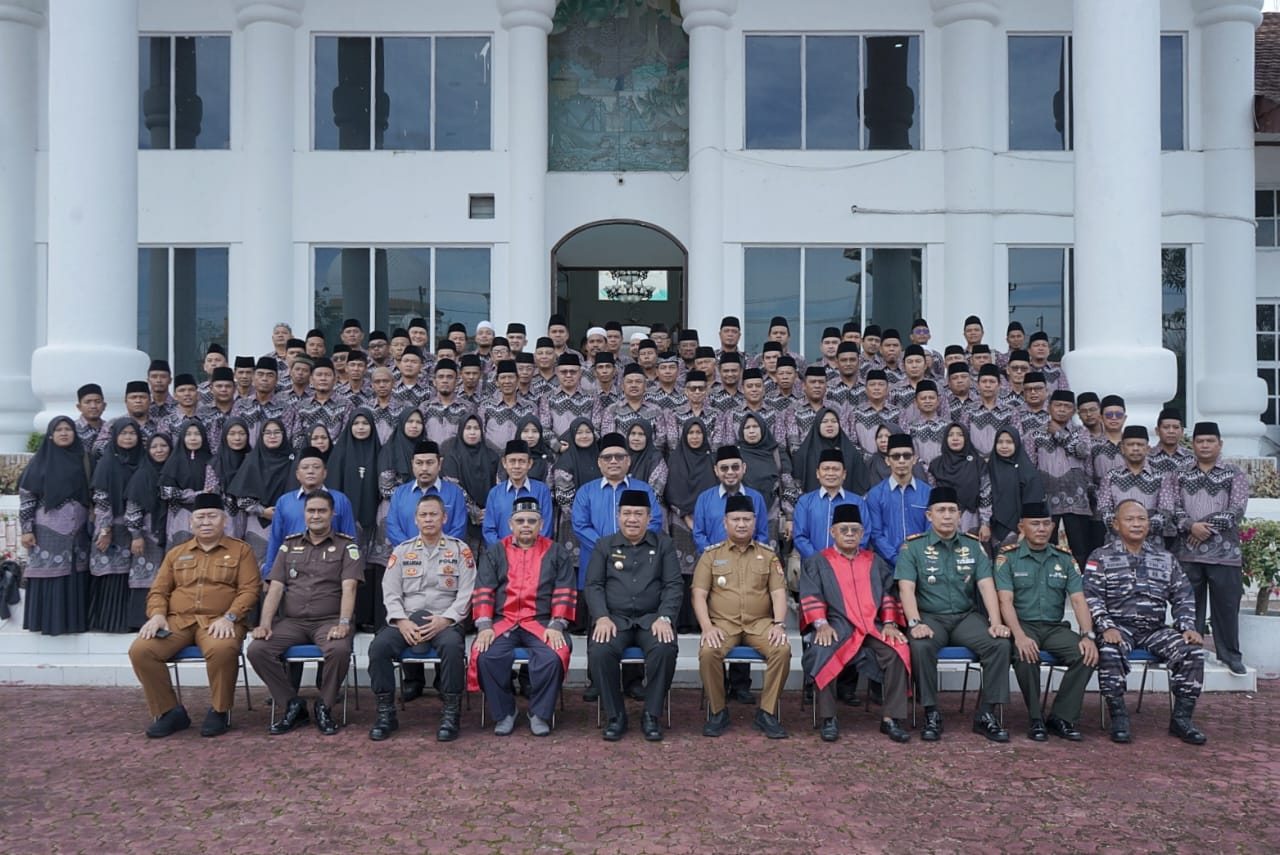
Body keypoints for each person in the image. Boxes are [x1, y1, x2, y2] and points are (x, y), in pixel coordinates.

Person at [127, 493, 260, 738]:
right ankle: (170, 712)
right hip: (178, 621)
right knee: (141, 650)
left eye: (212, 516)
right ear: (191, 523)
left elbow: (250, 590)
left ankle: (220, 711)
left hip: (219, 621)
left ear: (224, 521)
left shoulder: (241, 551)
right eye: (200, 517)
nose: (206, 522)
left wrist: (230, 617)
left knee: (222, 649)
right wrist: (157, 615)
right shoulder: (176, 553)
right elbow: (158, 591)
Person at [1084, 500, 1207, 744]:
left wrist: (1187, 626)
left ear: (1149, 524)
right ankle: (1119, 717)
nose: (1136, 524)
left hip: (1155, 630)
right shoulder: (1101, 557)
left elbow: (1183, 595)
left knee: (1192, 651)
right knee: (1109, 650)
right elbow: (1091, 596)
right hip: (1118, 628)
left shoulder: (1165, 558)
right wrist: (1105, 625)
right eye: (1129, 519)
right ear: (1116, 524)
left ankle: (1182, 719)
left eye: (1142, 519)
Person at [895, 486, 1012, 743]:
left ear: (960, 515)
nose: (947, 516)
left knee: (999, 644)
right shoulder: (912, 547)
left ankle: (986, 714)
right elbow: (906, 589)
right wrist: (914, 623)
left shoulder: (973, 546)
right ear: (929, 515)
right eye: (941, 511)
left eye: (951, 510)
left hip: (965, 617)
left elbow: (986, 585)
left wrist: (996, 622)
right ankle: (931, 713)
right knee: (921, 646)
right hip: (929, 617)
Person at [247, 491, 364, 736]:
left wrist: (344, 623)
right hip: (292, 622)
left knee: (339, 649)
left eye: (322, 511)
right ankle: (292, 704)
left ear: (332, 514)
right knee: (258, 650)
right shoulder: (289, 545)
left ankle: (325, 705)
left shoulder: (347, 546)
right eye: (311, 511)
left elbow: (349, 587)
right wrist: (265, 624)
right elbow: (276, 588)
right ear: (304, 514)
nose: (316, 515)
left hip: (329, 621)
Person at [799, 503, 912, 743]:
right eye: (844, 530)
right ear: (833, 532)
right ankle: (828, 718)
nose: (849, 534)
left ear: (862, 534)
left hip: (872, 626)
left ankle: (891, 718)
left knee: (898, 650)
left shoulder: (875, 561)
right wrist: (821, 624)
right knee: (822, 650)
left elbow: (888, 595)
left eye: (855, 530)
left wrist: (890, 623)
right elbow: (810, 595)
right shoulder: (818, 561)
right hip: (837, 625)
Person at [367, 494, 476, 741]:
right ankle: (386, 714)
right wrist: (401, 621)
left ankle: (450, 713)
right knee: (379, 647)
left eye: (433, 514)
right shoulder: (402, 551)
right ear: (416, 520)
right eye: (423, 515)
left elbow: (467, 593)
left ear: (444, 518)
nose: (428, 519)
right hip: (406, 620)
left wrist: (446, 620)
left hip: (445, 621)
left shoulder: (460, 550)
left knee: (452, 647)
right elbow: (390, 592)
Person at [470, 496, 576, 737]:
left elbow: (564, 590)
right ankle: (505, 712)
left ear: (541, 524)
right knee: (484, 655)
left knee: (554, 655)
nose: (526, 525)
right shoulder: (495, 552)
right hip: (503, 621)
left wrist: (557, 624)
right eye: (520, 521)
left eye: (532, 521)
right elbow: (484, 589)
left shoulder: (556, 552)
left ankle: (539, 713)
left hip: (542, 622)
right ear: (511, 524)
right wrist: (484, 626)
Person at [995, 502, 1098, 742]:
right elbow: (1005, 601)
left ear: (1052, 527)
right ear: (1022, 527)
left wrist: (1088, 635)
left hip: (1054, 628)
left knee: (1086, 655)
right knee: (1026, 655)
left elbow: (1078, 601)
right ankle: (1035, 718)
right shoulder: (1007, 558)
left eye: (1045, 524)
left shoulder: (1065, 559)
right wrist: (1019, 636)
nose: (1041, 529)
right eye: (1034, 524)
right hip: (1023, 625)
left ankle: (1062, 716)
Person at [585, 490, 682, 742]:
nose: (632, 519)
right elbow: (593, 585)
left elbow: (673, 585)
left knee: (664, 648)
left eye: (638, 514)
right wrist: (601, 617)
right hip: (614, 620)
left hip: (652, 619)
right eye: (627, 513)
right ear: (618, 516)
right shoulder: (604, 545)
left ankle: (652, 714)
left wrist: (665, 617)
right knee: (600, 651)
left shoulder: (663, 545)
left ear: (649, 518)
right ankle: (615, 715)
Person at [693, 493, 790, 738]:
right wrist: (707, 627)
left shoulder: (768, 555)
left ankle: (767, 712)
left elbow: (778, 593)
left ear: (755, 522)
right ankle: (718, 711)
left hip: (760, 624)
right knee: (708, 652)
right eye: (736, 519)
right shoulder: (711, 556)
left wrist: (779, 624)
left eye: (747, 519)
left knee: (782, 649)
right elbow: (698, 595)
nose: (741, 524)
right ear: (725, 522)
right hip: (723, 625)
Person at [1172, 421, 1249, 675]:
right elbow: (1171, 506)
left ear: (1220, 444)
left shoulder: (1234, 473)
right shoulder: (1179, 473)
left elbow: (1237, 508)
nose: (1205, 445)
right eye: (1200, 441)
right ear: (1192, 444)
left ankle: (1230, 655)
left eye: (1210, 441)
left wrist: (1203, 528)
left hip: (1225, 554)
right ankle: (1187, 655)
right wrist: (1190, 526)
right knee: (1188, 607)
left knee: (1226, 607)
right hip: (1187, 553)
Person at [20, 416, 92, 635]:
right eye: (58, 430)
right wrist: (27, 529)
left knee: (75, 573)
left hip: (78, 530)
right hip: (47, 529)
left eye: (68, 429)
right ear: (51, 435)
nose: (64, 433)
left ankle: (74, 622)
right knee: (50, 572)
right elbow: (28, 497)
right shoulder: (40, 462)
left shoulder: (83, 459)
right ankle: (49, 623)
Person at [324, 408, 385, 630]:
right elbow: (333, 488)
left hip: (373, 522)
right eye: (356, 423)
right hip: (346, 522)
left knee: (370, 566)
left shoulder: (379, 451)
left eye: (365, 423)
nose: (360, 427)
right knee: (348, 566)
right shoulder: (340, 453)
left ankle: (368, 617)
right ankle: (348, 616)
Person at [87, 418, 142, 632]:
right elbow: (101, 498)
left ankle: (128, 622)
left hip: (136, 528)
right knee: (111, 574)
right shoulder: (107, 463)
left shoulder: (142, 460)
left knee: (130, 575)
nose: (128, 437)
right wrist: (105, 529)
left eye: (132, 433)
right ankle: (108, 623)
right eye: (123, 433)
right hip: (111, 527)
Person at [263, 447, 356, 571]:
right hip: (292, 568)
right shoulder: (284, 502)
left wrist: (351, 572)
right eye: (305, 467)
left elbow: (350, 539)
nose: (310, 471)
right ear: (297, 474)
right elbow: (275, 540)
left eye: (316, 467)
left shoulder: (340, 500)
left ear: (324, 473)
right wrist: (269, 573)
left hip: (330, 569)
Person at [664, 418, 717, 630]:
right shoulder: (676, 458)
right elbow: (671, 490)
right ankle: (684, 620)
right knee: (682, 572)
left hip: (707, 522)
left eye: (698, 432)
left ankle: (702, 620)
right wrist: (686, 516)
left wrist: (701, 521)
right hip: (680, 521)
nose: (695, 437)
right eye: (691, 433)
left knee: (705, 570)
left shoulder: (710, 459)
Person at [1096, 425, 1177, 546]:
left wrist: (1141, 528)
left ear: (1148, 449)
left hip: (1152, 545)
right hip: (1116, 544)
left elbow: (1167, 509)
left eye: (1140, 445)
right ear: (1122, 448)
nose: (1135, 449)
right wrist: (1124, 528)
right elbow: (1104, 508)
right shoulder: (1111, 476)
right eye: (1130, 445)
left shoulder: (1161, 477)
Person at [124, 433, 173, 628]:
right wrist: (136, 535)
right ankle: (141, 620)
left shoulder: (175, 470)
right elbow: (133, 507)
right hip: (148, 533)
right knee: (146, 574)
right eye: (154, 447)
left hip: (171, 531)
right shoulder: (142, 475)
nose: (159, 450)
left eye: (163, 446)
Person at [863, 434, 931, 567]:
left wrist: (917, 557)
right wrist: (896, 559)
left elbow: (930, 531)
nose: (901, 461)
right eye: (895, 456)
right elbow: (876, 534)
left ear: (914, 459)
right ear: (887, 460)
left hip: (923, 563)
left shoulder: (928, 492)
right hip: (887, 566)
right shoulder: (875, 495)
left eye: (906, 456)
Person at [386, 439, 468, 547]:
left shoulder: (455, 493)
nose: (424, 468)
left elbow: (459, 529)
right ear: (412, 464)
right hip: (407, 555)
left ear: (439, 464)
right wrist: (412, 550)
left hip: (445, 555)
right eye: (419, 463)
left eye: (430, 463)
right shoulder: (400, 493)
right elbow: (392, 527)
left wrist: (436, 551)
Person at [442, 414, 500, 556]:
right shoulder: (452, 457)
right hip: (462, 519)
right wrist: (474, 511)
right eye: (468, 428)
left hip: (490, 518)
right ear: (461, 430)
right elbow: (454, 488)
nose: (472, 432)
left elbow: (499, 486)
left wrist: (490, 510)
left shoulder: (491, 455)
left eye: (476, 428)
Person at [928, 423, 992, 544]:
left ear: (966, 438)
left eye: (960, 435)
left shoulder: (977, 463)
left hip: (971, 519)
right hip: (944, 519)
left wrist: (985, 523)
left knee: (970, 551)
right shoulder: (936, 465)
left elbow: (986, 493)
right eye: (951, 435)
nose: (955, 438)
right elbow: (932, 496)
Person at [482, 439, 554, 545]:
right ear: (504, 463)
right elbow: (489, 530)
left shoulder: (542, 491)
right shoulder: (495, 493)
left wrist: (529, 551)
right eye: (512, 461)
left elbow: (545, 528)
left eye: (521, 461)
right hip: (502, 553)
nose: (516, 466)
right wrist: (503, 551)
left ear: (530, 463)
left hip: (535, 553)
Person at [158, 419, 215, 548]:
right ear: (182, 437)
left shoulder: (212, 460)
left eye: (197, 434)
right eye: (188, 434)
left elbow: (214, 489)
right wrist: (197, 495)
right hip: (179, 516)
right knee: (181, 552)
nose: (193, 438)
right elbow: (166, 492)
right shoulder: (174, 461)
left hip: (206, 515)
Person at [986, 428, 1045, 549]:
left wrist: (1025, 529)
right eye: (1000, 442)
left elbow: (1033, 503)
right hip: (991, 527)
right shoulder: (989, 467)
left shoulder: (1027, 471)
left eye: (1009, 442)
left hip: (1019, 529)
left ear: (1017, 444)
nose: (1004, 446)